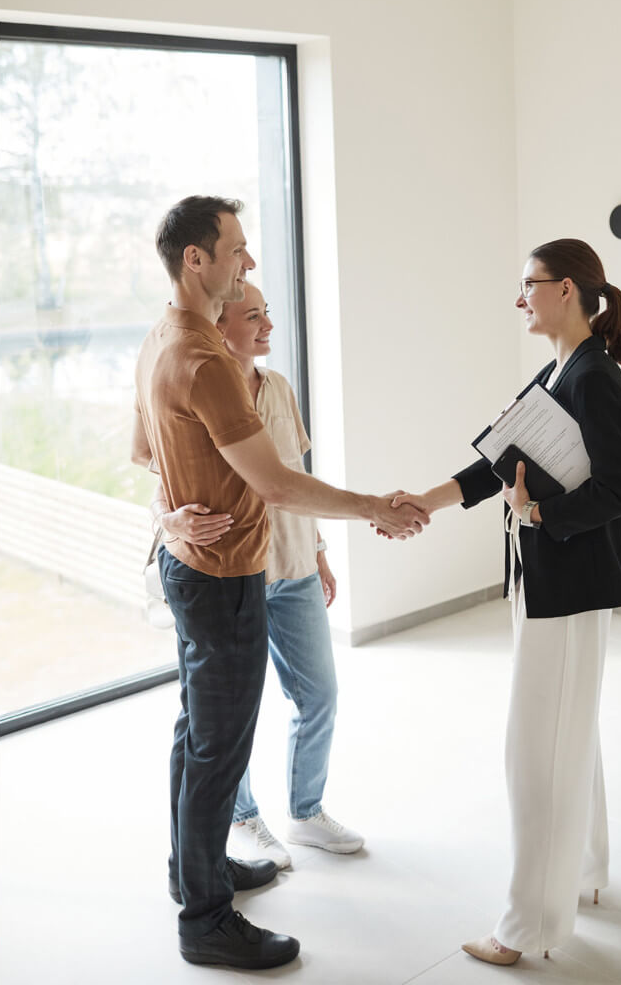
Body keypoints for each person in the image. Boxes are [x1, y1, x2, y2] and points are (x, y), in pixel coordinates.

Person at [132, 195, 427, 970]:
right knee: (217, 752)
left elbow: (163, 458)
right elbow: (279, 485)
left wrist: (169, 519)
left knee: (195, 736)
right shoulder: (203, 360)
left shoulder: (164, 336)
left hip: (197, 571)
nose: (249, 262)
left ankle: (193, 871)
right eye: (235, 249)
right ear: (195, 259)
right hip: (222, 578)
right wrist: (376, 510)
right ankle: (205, 921)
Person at [389, 239, 621, 965]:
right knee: (570, 735)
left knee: (535, 754)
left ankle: (525, 928)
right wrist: (425, 501)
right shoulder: (561, 366)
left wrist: (538, 519)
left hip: (567, 586)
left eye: (527, 285)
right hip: (549, 583)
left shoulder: (593, 377)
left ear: (565, 289)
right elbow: (499, 462)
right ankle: (585, 871)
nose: (519, 299)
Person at [155, 283, 362, 870]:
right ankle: (244, 818)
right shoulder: (196, 383)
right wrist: (170, 522)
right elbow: (162, 485)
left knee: (318, 692)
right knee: (231, 712)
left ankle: (306, 811)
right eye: (254, 316)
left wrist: (319, 548)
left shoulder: (278, 388)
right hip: (230, 574)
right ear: (221, 326)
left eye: (269, 312)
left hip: (292, 567)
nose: (268, 324)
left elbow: (294, 474)